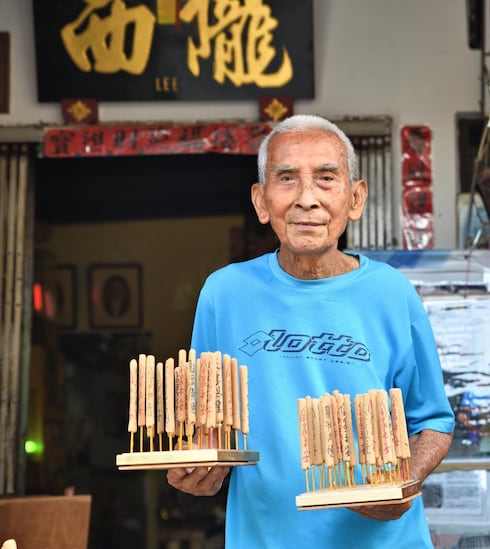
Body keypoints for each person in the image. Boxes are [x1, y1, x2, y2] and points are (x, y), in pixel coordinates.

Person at [166, 114, 455, 548]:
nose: (307, 199)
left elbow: (432, 421)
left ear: (356, 198)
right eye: (286, 179)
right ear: (261, 202)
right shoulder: (224, 294)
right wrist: (195, 468)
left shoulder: (392, 293)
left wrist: (406, 481)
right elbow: (204, 427)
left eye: (325, 178)